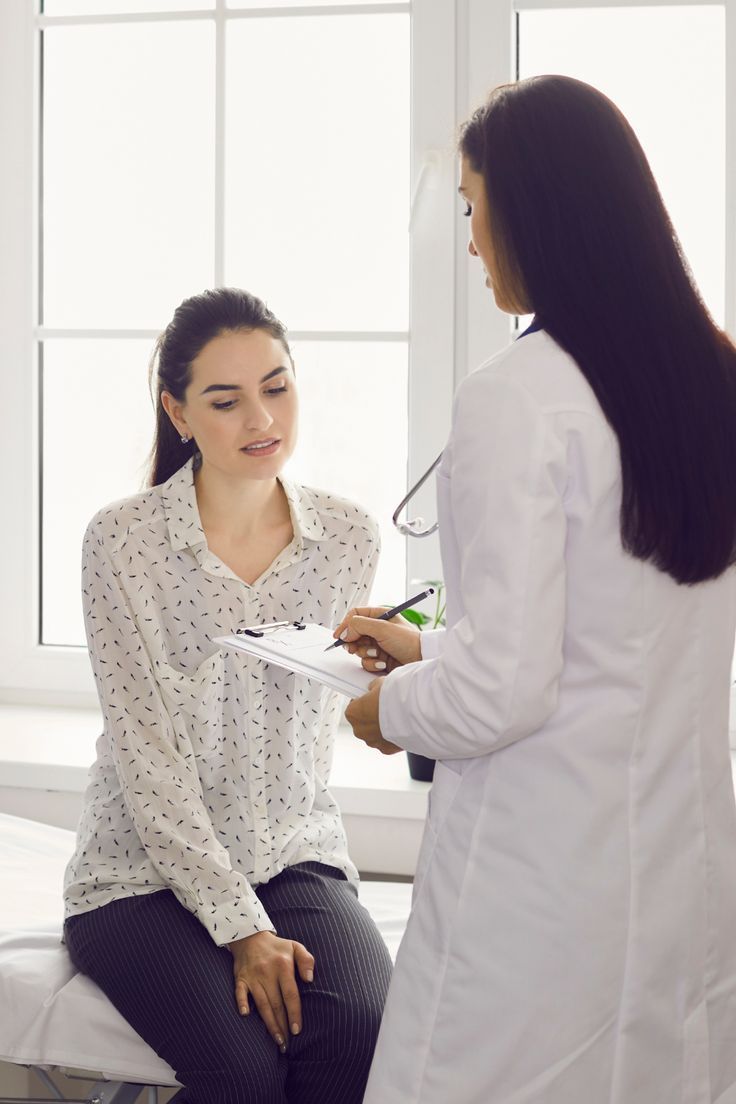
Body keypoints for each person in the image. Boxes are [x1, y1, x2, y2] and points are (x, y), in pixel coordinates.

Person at [336, 76, 736, 1102]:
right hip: (676, 866)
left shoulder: (517, 396)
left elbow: (502, 694)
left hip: (539, 886)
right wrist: (430, 650)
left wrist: (392, 705)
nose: (470, 241)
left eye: (474, 206)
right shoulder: (709, 377)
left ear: (538, 211)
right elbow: (617, 636)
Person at [62, 287, 392, 1104]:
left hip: (292, 852)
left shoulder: (347, 537)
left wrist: (383, 679)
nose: (261, 418)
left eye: (277, 387)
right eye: (226, 399)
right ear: (177, 412)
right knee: (242, 1075)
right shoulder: (124, 542)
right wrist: (243, 928)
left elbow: (313, 726)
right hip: (139, 874)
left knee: (360, 1040)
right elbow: (147, 762)